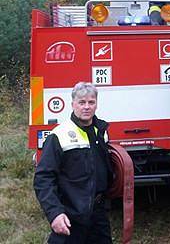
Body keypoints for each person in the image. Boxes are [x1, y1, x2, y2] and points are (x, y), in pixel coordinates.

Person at [34, 82, 113, 244]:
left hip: (98, 213)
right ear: (73, 104)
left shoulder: (101, 133)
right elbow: (43, 179)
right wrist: (55, 213)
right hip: (70, 214)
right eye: (81, 102)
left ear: (96, 104)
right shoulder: (59, 136)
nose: (86, 107)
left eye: (91, 102)